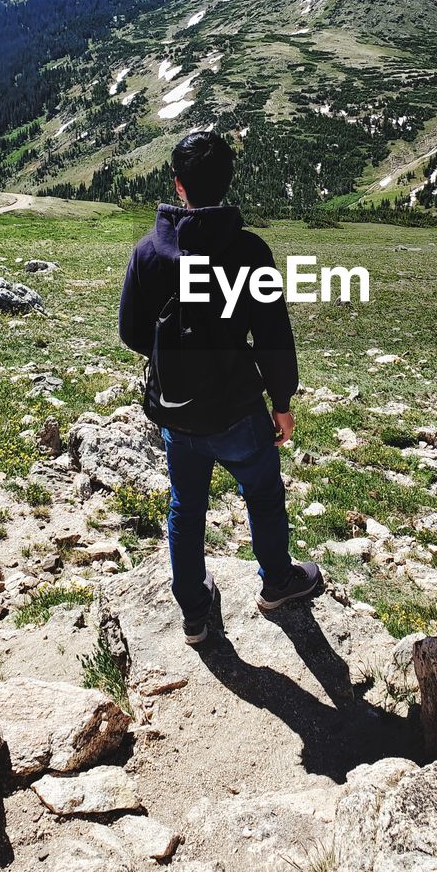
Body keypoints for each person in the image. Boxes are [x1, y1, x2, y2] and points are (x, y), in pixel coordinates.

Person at [119, 131, 322, 644]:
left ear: (177, 186)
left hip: (177, 410)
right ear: (228, 184)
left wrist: (175, 360)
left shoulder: (148, 253)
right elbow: (274, 334)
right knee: (262, 491)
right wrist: (282, 401)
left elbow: (130, 331)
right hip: (238, 408)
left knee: (186, 504)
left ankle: (193, 609)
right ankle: (277, 581)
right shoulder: (250, 251)